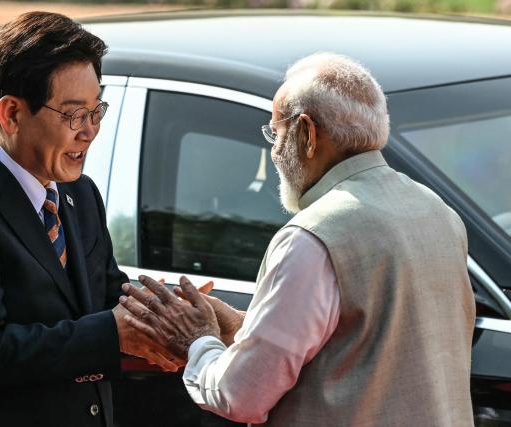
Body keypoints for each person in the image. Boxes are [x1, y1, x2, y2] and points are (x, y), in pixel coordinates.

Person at [119, 53, 476, 426]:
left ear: (306, 133)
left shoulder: (313, 238)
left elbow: (241, 395)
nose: (274, 151)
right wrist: (242, 327)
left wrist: (196, 339)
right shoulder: (436, 212)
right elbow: (363, 346)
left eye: (276, 133)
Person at [0, 11, 180, 427]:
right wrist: (113, 333)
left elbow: (106, 295)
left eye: (96, 111)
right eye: (74, 115)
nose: (89, 132)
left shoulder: (79, 193)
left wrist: (171, 313)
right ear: (12, 114)